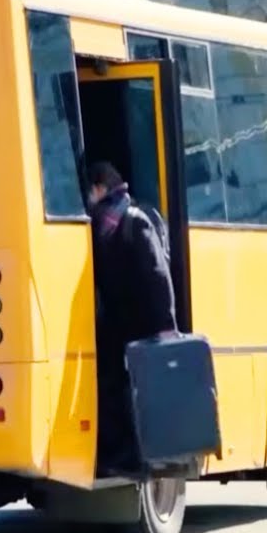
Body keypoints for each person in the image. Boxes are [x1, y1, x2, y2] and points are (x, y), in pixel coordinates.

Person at [86, 161, 176, 477]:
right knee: (116, 387)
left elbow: (157, 276)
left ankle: (135, 455)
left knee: (132, 389)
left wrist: (165, 327)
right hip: (117, 324)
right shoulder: (109, 221)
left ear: (99, 188)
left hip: (142, 324)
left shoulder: (133, 221)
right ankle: (120, 454)